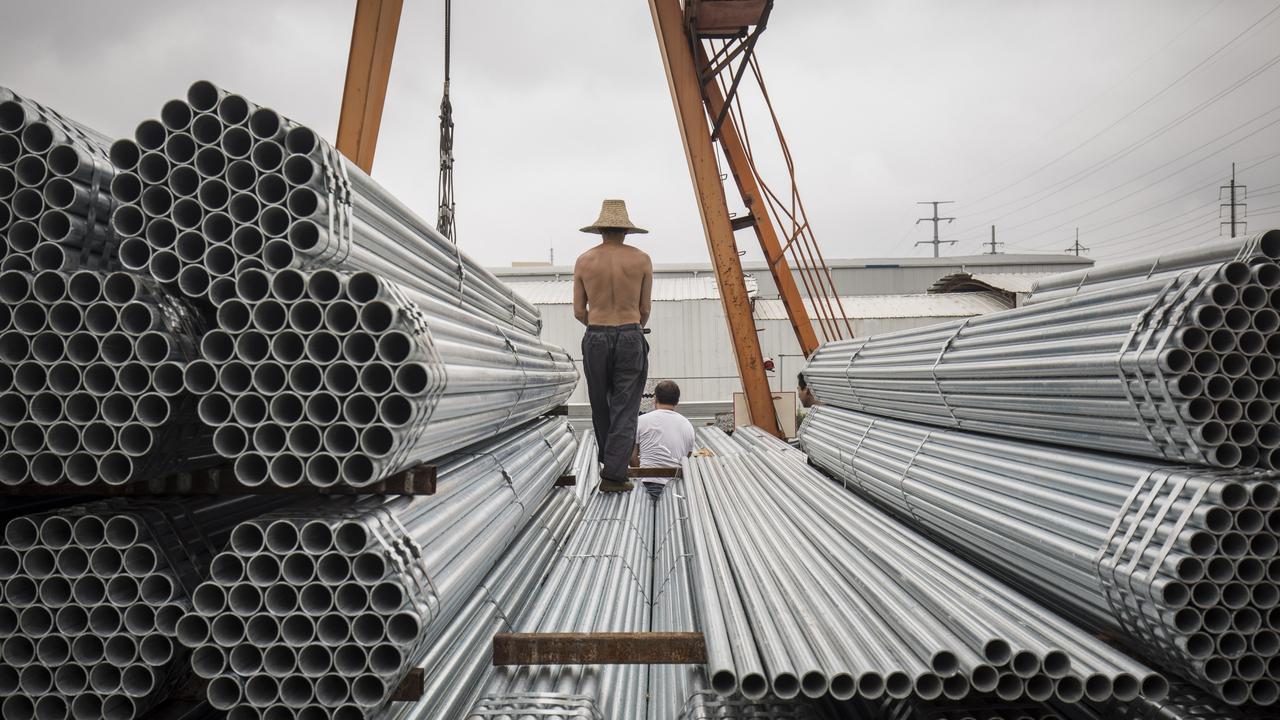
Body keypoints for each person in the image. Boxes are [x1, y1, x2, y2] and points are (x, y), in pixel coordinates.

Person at [573, 199, 653, 492]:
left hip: (595, 334)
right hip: (630, 333)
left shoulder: (584, 261)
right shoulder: (642, 260)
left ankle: (611, 463)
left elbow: (579, 311)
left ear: (600, 230)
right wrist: (629, 328)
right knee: (625, 405)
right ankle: (614, 474)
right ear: (626, 231)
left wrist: (600, 328)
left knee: (600, 404)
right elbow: (645, 309)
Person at [633, 380, 695, 497]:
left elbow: (632, 456)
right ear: (677, 401)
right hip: (674, 489)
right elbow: (687, 457)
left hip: (646, 486)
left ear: (655, 399)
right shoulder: (687, 425)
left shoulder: (641, 421)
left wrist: (642, 472)